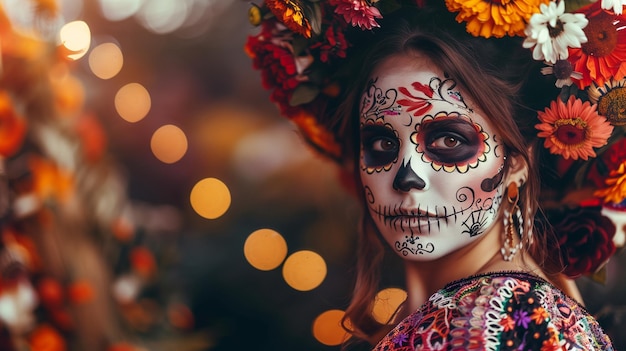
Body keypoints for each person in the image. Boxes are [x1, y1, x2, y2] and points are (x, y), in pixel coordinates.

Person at [246, 0, 623, 349]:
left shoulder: (509, 323)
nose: (405, 177)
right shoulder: (482, 313)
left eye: (447, 140)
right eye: (381, 144)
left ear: (516, 164)